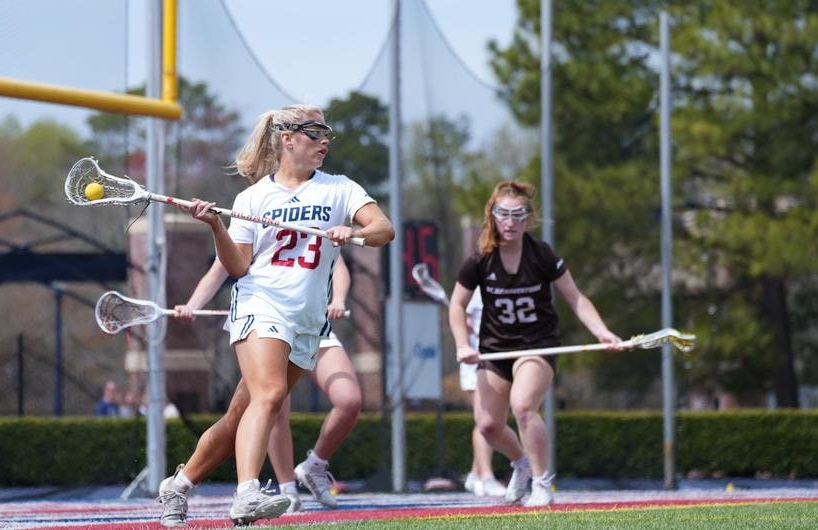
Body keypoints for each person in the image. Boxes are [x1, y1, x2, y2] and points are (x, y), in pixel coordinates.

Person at [156, 104, 394, 527]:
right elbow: (238, 267)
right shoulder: (252, 197)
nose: (324, 141)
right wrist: (215, 226)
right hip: (260, 304)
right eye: (315, 132)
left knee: (237, 420)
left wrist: (354, 231)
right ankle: (247, 494)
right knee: (268, 396)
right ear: (287, 139)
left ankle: (178, 486)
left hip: (306, 322)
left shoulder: (340, 189)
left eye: (326, 134)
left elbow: (383, 229)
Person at [448, 180, 620, 508]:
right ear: (493, 216)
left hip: (536, 346)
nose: (510, 222)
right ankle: (521, 463)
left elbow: (576, 298)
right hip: (496, 349)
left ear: (529, 218)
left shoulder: (541, 255)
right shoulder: (480, 259)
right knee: (487, 426)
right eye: (503, 214)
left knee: (524, 406)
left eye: (518, 215)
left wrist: (602, 332)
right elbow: (456, 305)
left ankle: (542, 483)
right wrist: (461, 345)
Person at [173, 255, 360, 513]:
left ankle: (314, 466)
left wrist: (338, 298)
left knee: (348, 400)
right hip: (268, 323)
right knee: (267, 403)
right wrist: (193, 304)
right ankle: (280, 490)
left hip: (311, 324)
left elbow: (341, 257)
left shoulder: (320, 214)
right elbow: (222, 266)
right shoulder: (253, 218)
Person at [459, 290, 507, 497]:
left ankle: (474, 474)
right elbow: (462, 320)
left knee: (493, 420)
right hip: (476, 362)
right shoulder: (476, 287)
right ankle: (486, 476)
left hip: (499, 360)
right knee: (484, 420)